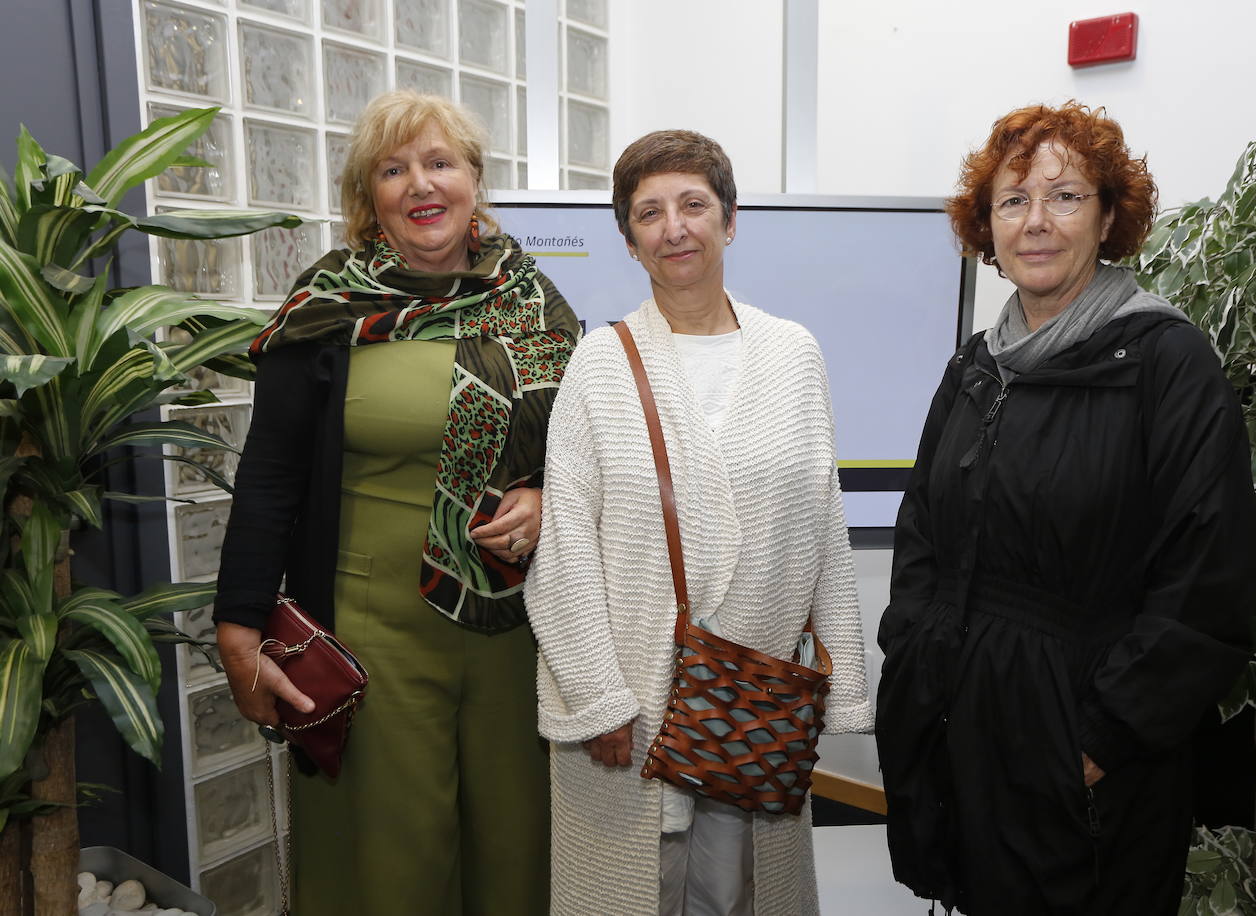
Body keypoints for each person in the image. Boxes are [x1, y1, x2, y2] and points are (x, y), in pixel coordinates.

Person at [875, 101, 1256, 915]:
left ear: (1110, 214)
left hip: (1091, 746)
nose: (1036, 222)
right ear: (987, 226)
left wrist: (1098, 740)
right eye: (1013, 201)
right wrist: (914, 652)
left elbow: (1207, 582)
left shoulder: (1167, 364)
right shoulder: (976, 368)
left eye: (1065, 196)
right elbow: (923, 534)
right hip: (964, 725)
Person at [213, 89, 578, 915]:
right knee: (393, 862)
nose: (422, 184)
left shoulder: (535, 302)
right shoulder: (326, 310)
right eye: (394, 168)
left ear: (473, 182)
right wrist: (239, 631)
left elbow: (588, 449)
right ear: (368, 198)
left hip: (514, 634)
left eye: (440, 162)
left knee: (517, 849)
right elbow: (268, 476)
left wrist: (551, 498)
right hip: (372, 631)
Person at [523, 129, 873, 916]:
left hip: (754, 702)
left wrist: (841, 681)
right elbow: (567, 540)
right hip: (634, 704)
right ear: (628, 238)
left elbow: (824, 524)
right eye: (650, 212)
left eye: (693, 204)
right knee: (632, 893)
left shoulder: (793, 354)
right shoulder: (600, 363)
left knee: (742, 895)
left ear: (730, 219)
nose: (674, 227)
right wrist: (597, 697)